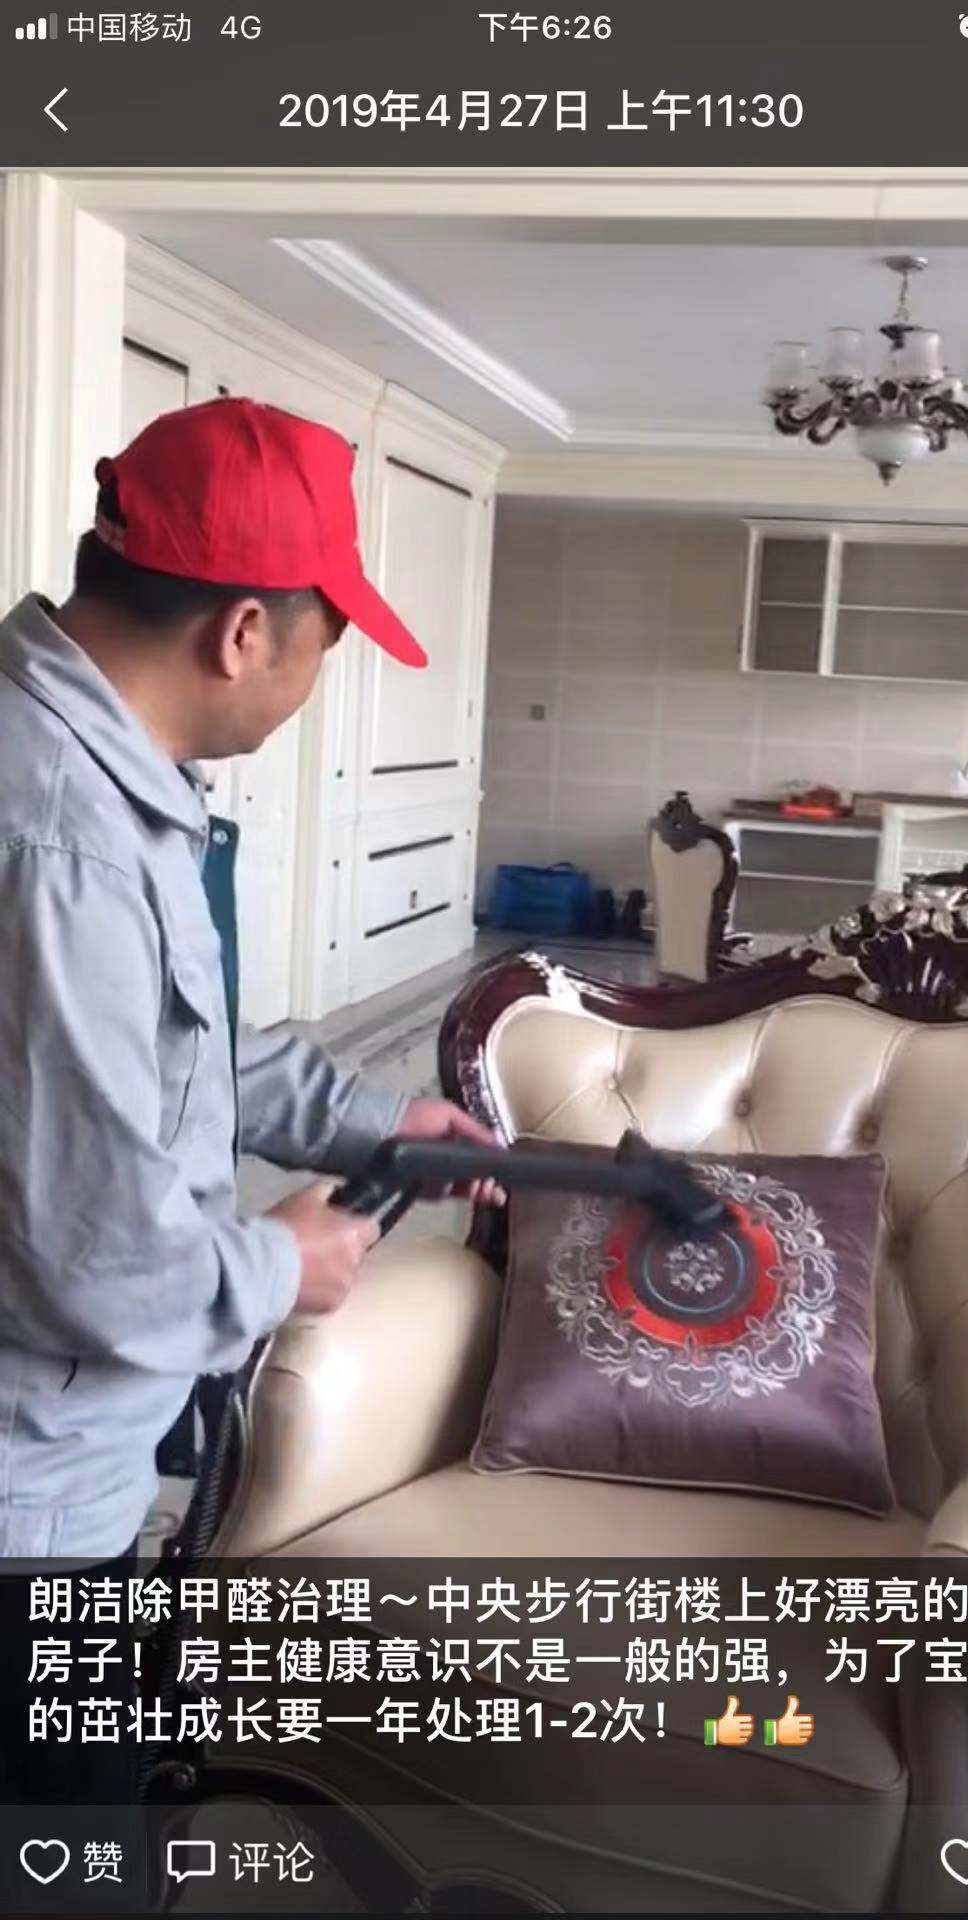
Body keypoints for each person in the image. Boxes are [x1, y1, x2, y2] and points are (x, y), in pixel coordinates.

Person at [0, 395, 502, 1570]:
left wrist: (375, 1122)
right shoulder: (67, 844)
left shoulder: (80, 772)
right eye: (324, 646)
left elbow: (161, 1048)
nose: (312, 679)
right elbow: (96, 1263)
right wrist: (282, 1264)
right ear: (243, 633)